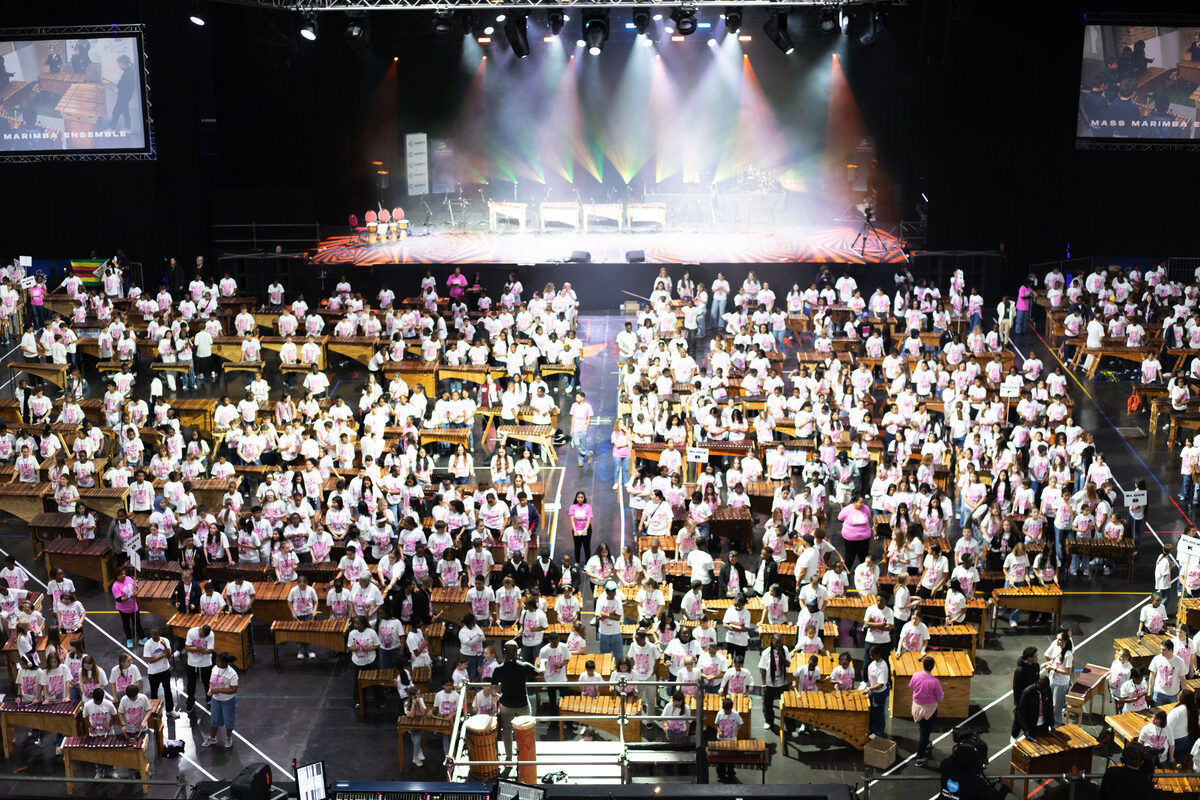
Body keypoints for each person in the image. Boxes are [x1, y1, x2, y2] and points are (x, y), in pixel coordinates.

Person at [491, 641, 539, 764]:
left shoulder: (498, 669)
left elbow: (493, 687)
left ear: (504, 652)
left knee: (506, 731)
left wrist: (494, 695)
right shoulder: (524, 666)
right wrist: (542, 663)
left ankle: (508, 758)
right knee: (524, 731)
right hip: (522, 704)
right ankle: (524, 757)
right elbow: (540, 673)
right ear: (517, 652)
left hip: (506, 705)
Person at [910, 655, 943, 766]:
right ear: (932, 667)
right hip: (929, 710)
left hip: (916, 707)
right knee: (924, 733)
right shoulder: (935, 681)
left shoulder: (915, 675)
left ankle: (927, 744)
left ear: (923, 665)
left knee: (923, 728)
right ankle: (920, 758)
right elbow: (940, 697)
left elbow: (912, 686)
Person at [205, 652, 239, 749]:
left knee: (229, 720)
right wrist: (210, 689)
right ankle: (212, 738)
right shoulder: (215, 668)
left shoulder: (232, 674)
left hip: (228, 701)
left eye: (218, 661)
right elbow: (211, 682)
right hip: (216, 699)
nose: (216, 663)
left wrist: (218, 690)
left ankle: (228, 738)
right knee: (214, 719)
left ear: (224, 663)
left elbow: (233, 689)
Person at [142, 627, 176, 718]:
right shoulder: (148, 644)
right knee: (154, 693)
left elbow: (169, 656)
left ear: (159, 633)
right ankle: (154, 712)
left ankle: (170, 710)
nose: (153, 636)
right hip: (153, 673)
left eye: (155, 634)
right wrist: (162, 655)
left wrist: (165, 647)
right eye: (151, 634)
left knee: (168, 691)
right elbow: (150, 660)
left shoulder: (165, 641)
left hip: (165, 670)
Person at [184, 623, 215, 713]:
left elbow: (210, 650)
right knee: (191, 684)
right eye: (201, 636)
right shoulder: (191, 632)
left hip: (206, 663)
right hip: (192, 663)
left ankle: (209, 700)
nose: (202, 638)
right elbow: (187, 648)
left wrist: (195, 648)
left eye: (204, 637)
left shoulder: (211, 634)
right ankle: (190, 702)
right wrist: (199, 649)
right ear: (199, 629)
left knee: (207, 683)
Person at [111, 566, 144, 647]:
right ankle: (129, 639)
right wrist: (130, 596)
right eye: (121, 574)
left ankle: (143, 637)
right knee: (126, 624)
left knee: (137, 623)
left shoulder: (129, 578)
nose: (124, 575)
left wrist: (136, 590)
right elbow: (119, 599)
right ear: (117, 576)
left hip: (133, 607)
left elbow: (135, 585)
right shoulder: (115, 586)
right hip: (123, 609)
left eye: (124, 574)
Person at [1011, 647, 1039, 741]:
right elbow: (1016, 688)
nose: (1037, 658)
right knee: (1019, 717)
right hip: (1022, 699)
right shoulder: (1020, 671)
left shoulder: (1036, 666)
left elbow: (1036, 681)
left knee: (1031, 716)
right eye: (1035, 656)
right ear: (1029, 658)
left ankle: (1029, 734)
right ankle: (1014, 736)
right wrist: (1019, 702)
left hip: (1032, 698)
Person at [1018, 674, 1053, 740]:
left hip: (1044, 725)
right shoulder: (1027, 693)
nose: (1044, 691)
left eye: (1045, 689)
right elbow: (1021, 712)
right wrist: (1025, 729)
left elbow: (1050, 707)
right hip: (1032, 725)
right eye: (1042, 689)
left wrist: (1051, 723)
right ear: (1037, 683)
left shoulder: (1047, 690)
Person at [866, 646, 889, 740]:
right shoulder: (874, 662)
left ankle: (879, 734)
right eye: (870, 655)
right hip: (873, 691)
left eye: (872, 655)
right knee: (872, 712)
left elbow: (881, 684)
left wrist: (869, 688)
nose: (870, 657)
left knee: (878, 714)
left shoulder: (882, 667)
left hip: (879, 693)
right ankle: (872, 729)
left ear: (878, 655)